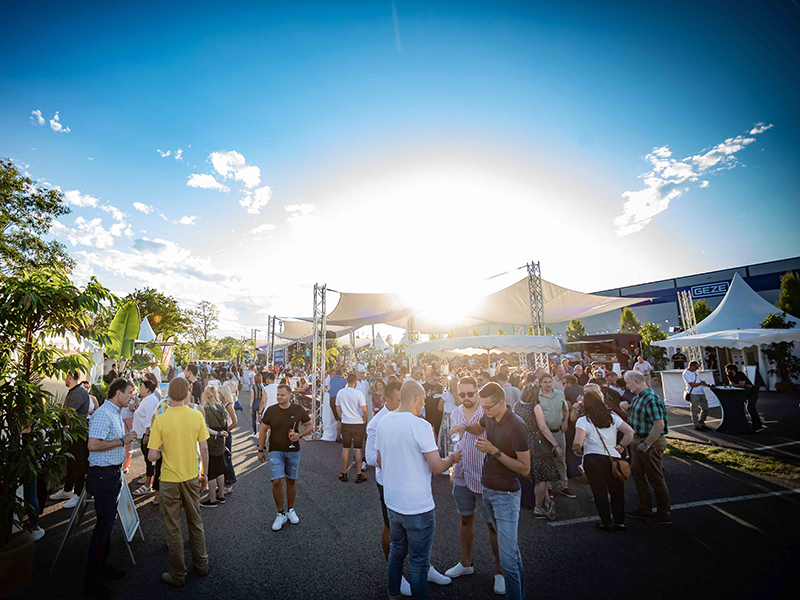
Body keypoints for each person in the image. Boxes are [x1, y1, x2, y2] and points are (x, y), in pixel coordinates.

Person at [377, 380, 461, 599]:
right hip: (416, 505)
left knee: (397, 551)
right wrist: (453, 457)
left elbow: (380, 460)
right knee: (419, 560)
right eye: (422, 400)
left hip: (393, 500)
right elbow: (437, 466)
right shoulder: (420, 425)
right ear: (415, 398)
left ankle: (393, 593)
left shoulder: (384, 421)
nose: (423, 405)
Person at [449, 382, 529, 600]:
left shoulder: (516, 425)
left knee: (509, 558)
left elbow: (524, 468)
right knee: (511, 553)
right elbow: (479, 426)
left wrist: (494, 451)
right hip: (487, 487)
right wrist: (464, 427)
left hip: (506, 494)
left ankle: (508, 585)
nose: (483, 411)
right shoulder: (489, 416)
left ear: (502, 402)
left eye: (488, 407)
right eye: (483, 407)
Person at [147, 377, 210, 586]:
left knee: (173, 528)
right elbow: (204, 449)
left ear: (168, 394)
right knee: (195, 522)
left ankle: (178, 574)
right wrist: (204, 475)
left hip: (169, 479)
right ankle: (202, 564)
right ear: (187, 393)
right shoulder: (196, 415)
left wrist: (163, 450)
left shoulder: (161, 420)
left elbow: (152, 456)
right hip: (191, 476)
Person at [445, 377, 505, 595]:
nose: (466, 398)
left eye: (470, 394)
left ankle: (500, 572)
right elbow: (455, 440)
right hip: (462, 474)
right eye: (462, 394)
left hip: (484, 476)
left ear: (477, 393)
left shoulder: (487, 412)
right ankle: (465, 563)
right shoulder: (455, 413)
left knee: (493, 525)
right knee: (465, 519)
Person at [83, 378, 135, 600]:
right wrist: (122, 441)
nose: (131, 396)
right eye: (129, 392)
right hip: (103, 476)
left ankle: (102, 569)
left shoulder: (113, 412)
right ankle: (92, 583)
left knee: (107, 525)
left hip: (110, 475)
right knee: (102, 529)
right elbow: (93, 445)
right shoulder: (104, 414)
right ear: (118, 393)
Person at [365, 380, 412, 596]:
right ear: (387, 400)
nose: (403, 404)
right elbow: (369, 458)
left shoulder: (409, 415)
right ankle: (396, 574)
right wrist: (397, 458)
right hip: (389, 482)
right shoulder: (377, 423)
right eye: (399, 401)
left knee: (417, 526)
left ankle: (425, 566)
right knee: (391, 527)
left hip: (410, 479)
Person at [573, 390, 634, 531]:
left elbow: (578, 442)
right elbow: (630, 432)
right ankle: (619, 521)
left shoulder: (583, 420)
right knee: (617, 492)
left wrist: (576, 449)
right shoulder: (612, 417)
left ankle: (606, 522)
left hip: (593, 459)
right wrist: (622, 446)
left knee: (599, 492)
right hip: (613, 458)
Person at [258, 384, 313, 530]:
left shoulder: (298, 410)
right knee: (277, 481)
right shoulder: (271, 410)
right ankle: (280, 513)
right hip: (275, 450)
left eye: (282, 395)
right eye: (278, 394)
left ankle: (291, 509)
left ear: (289, 395)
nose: (279, 397)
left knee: (291, 480)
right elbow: (263, 430)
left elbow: (309, 426)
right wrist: (260, 449)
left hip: (293, 450)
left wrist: (300, 435)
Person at [623, 370, 671, 524]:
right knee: (638, 475)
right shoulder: (638, 397)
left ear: (637, 381)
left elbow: (659, 425)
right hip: (638, 440)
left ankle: (664, 513)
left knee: (655, 478)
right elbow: (641, 417)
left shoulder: (650, 398)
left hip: (649, 441)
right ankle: (645, 509)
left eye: (628, 382)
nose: (626, 385)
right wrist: (627, 409)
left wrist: (647, 444)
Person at [512, 384, 561, 519]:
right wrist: (556, 445)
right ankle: (538, 508)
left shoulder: (516, 405)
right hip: (537, 444)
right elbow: (543, 428)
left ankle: (545, 501)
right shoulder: (535, 406)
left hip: (522, 443)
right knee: (541, 477)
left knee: (529, 475)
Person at [50, 371, 91, 510]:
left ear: (69, 377)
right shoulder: (74, 391)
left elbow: (68, 412)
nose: (64, 380)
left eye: (65, 377)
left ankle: (78, 494)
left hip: (77, 434)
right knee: (70, 462)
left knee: (78, 463)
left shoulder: (79, 392)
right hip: (71, 433)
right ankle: (67, 490)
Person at [537, 374, 574, 499]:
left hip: (558, 432)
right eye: (545, 382)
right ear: (540, 383)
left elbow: (565, 409)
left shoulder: (559, 394)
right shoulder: (537, 397)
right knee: (547, 461)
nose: (548, 384)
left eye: (549, 382)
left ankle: (564, 486)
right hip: (544, 434)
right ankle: (548, 488)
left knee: (561, 460)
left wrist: (565, 421)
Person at [336, 372, 368, 483]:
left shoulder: (341, 392)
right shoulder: (358, 393)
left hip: (346, 423)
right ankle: (358, 474)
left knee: (346, 448)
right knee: (358, 449)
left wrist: (342, 417)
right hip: (357, 423)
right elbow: (364, 409)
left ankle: (344, 473)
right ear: (355, 382)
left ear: (347, 381)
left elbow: (337, 407)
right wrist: (365, 419)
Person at [200, 386, 228, 508]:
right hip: (221, 439)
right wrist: (221, 432)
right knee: (220, 469)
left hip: (211, 439)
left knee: (211, 471)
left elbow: (205, 428)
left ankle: (212, 499)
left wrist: (216, 433)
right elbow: (226, 424)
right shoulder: (221, 407)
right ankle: (221, 495)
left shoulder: (205, 409)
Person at [131, 379, 160, 497]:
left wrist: (147, 435)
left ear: (147, 389)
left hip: (146, 434)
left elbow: (150, 420)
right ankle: (149, 482)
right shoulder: (147, 399)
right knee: (148, 460)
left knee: (149, 461)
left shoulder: (150, 401)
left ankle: (148, 485)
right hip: (142, 433)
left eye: (142, 387)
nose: (140, 389)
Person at [725, 363, 763, 430]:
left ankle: (757, 425)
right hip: (744, 393)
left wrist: (739, 385)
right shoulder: (730, 376)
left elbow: (741, 384)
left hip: (752, 392)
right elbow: (733, 384)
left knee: (750, 408)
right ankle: (749, 423)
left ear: (733, 370)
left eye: (727, 370)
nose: (726, 371)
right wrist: (742, 385)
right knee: (741, 407)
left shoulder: (740, 374)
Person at [217, 384, 238, 493]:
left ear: (223, 394)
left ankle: (229, 483)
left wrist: (226, 431)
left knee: (226, 458)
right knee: (222, 459)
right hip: (222, 434)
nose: (218, 395)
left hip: (226, 435)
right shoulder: (222, 404)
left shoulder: (229, 406)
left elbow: (235, 422)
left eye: (219, 393)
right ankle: (224, 483)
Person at [683, 360, 711, 430]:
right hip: (693, 393)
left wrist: (705, 384)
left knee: (705, 408)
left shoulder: (696, 372)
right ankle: (696, 424)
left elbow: (698, 381)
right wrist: (701, 383)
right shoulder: (686, 373)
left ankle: (702, 422)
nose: (697, 369)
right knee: (694, 409)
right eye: (696, 367)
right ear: (692, 366)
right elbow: (692, 384)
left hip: (701, 392)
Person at [436, 376, 460, 459]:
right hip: (456, 418)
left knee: (445, 438)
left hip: (447, 418)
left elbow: (439, 407)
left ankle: (446, 455)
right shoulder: (459, 396)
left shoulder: (446, 395)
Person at [423, 370, 444, 436]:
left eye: (438, 380)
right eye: (435, 380)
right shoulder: (424, 386)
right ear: (430, 378)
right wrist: (427, 394)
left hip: (438, 413)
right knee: (427, 432)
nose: (436, 382)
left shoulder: (440, 387)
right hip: (427, 412)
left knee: (438, 432)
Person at [328, 368, 347, 441]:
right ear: (342, 374)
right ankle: (340, 436)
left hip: (332, 399)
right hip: (339, 399)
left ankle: (339, 435)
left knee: (338, 419)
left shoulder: (332, 379)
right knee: (341, 419)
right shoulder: (344, 380)